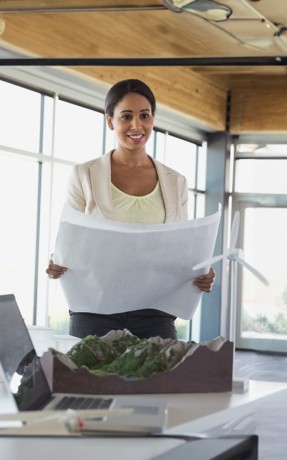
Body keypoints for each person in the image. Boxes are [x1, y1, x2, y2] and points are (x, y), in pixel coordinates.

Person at [46, 78, 216, 340]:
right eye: (126, 116)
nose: (136, 125)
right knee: (89, 381)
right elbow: (70, 239)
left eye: (144, 116)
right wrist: (57, 260)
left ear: (153, 119)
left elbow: (179, 248)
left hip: (154, 309)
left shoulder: (175, 182)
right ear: (110, 121)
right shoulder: (83, 175)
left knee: (160, 380)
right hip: (95, 308)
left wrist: (200, 272)